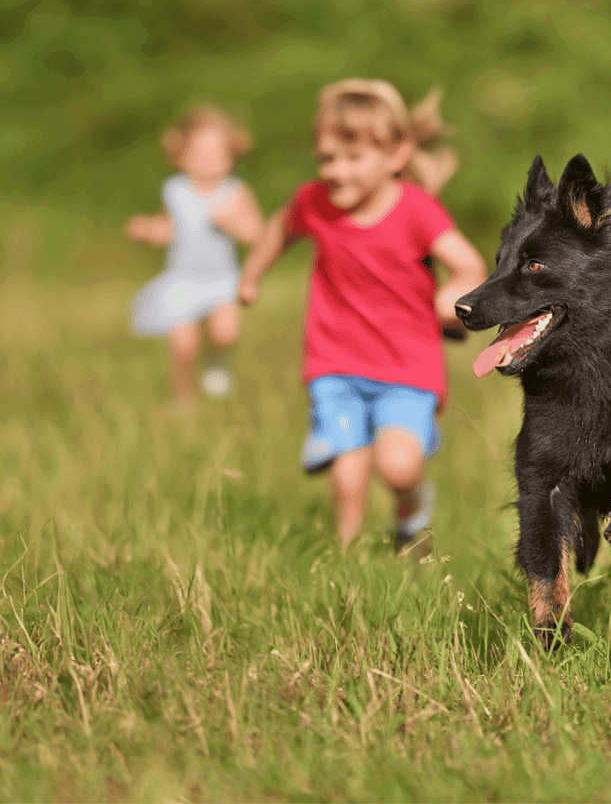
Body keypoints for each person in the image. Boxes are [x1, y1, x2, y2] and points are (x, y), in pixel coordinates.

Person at [238, 79, 487, 551]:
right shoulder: (313, 203)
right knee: (347, 471)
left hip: (406, 364)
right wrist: (251, 274)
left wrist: (453, 297)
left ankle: (411, 509)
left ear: (395, 156)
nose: (336, 171)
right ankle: (346, 556)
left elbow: (471, 264)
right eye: (327, 158)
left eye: (353, 159)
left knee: (397, 466)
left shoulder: (417, 209)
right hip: (335, 360)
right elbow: (279, 229)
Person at [127, 104, 264, 404]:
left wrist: (233, 223)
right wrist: (148, 230)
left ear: (231, 156)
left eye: (215, 155)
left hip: (221, 279)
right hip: (183, 277)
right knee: (182, 344)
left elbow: (258, 234)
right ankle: (183, 397)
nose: (206, 163)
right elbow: (169, 229)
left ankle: (216, 364)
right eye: (198, 155)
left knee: (225, 333)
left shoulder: (234, 192)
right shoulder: (176, 190)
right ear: (180, 156)